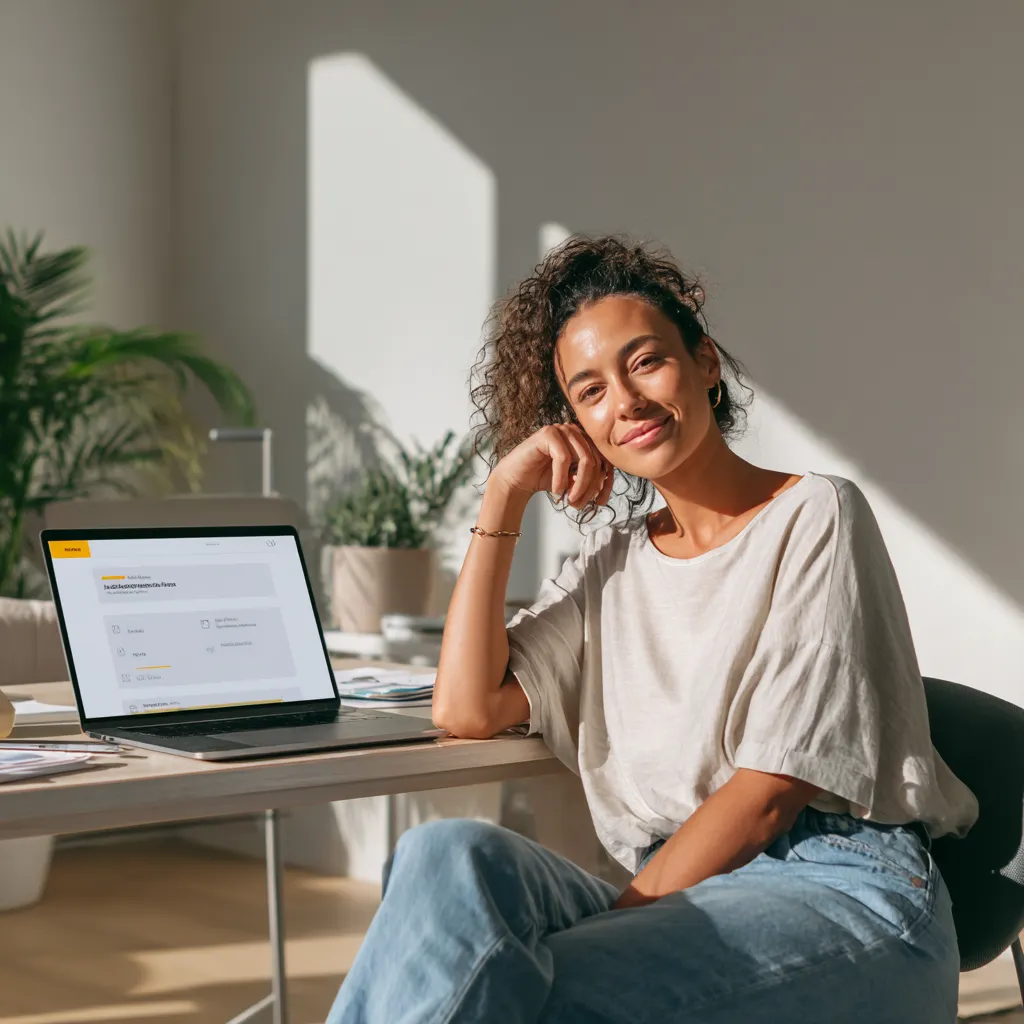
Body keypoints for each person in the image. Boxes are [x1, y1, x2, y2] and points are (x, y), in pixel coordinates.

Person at [326, 236, 978, 1023]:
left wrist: (608, 924)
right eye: (590, 391)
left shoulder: (815, 515)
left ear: (704, 362)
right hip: (680, 892)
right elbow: (464, 708)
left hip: (841, 888)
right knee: (441, 856)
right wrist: (502, 494)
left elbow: (770, 794)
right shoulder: (609, 568)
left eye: (644, 362)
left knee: (530, 993)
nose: (624, 403)